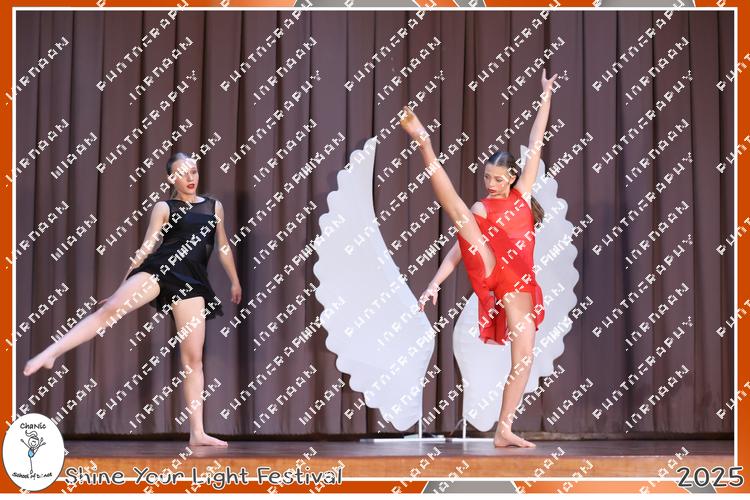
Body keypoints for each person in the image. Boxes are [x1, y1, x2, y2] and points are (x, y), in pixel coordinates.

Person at [23, 152, 242, 447]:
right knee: (112, 309)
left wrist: (234, 280)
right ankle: (52, 352)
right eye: (182, 173)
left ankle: (197, 433)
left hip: (193, 282)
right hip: (161, 270)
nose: (190, 178)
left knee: (193, 360)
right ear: (171, 178)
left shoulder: (214, 207)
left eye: (193, 171)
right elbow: (146, 248)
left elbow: (223, 246)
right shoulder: (164, 207)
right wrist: (121, 287)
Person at [399, 68, 557, 448]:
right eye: (487, 177)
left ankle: (504, 429)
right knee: (459, 212)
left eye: (498, 179)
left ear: (512, 177)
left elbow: (535, 142)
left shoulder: (522, 195)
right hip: (493, 269)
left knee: (524, 358)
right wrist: (434, 283)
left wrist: (546, 95)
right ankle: (424, 143)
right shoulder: (482, 208)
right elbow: (459, 250)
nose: (491, 184)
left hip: (522, 283)